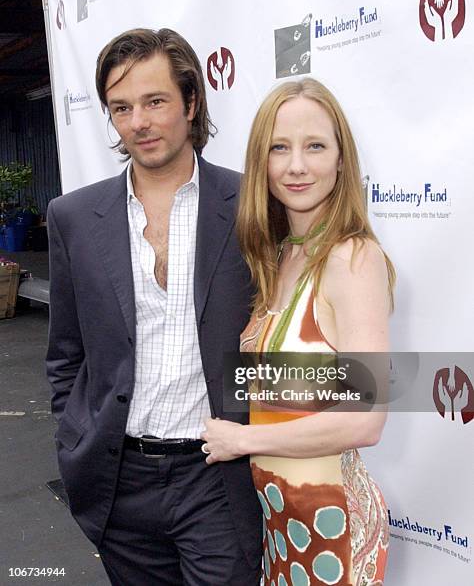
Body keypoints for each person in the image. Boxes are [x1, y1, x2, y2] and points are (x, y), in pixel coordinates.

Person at [46, 28, 262, 585]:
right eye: (121, 108)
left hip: (216, 475)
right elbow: (65, 353)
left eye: (155, 101)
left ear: (191, 102)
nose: (138, 121)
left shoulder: (252, 207)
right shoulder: (73, 217)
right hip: (118, 480)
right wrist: (75, 439)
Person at [200, 78, 395, 585]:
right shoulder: (279, 256)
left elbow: (364, 420)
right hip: (281, 523)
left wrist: (241, 438)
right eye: (279, 148)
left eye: (315, 146)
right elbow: (295, 388)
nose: (297, 165)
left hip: (331, 523)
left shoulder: (353, 258)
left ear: (340, 159)